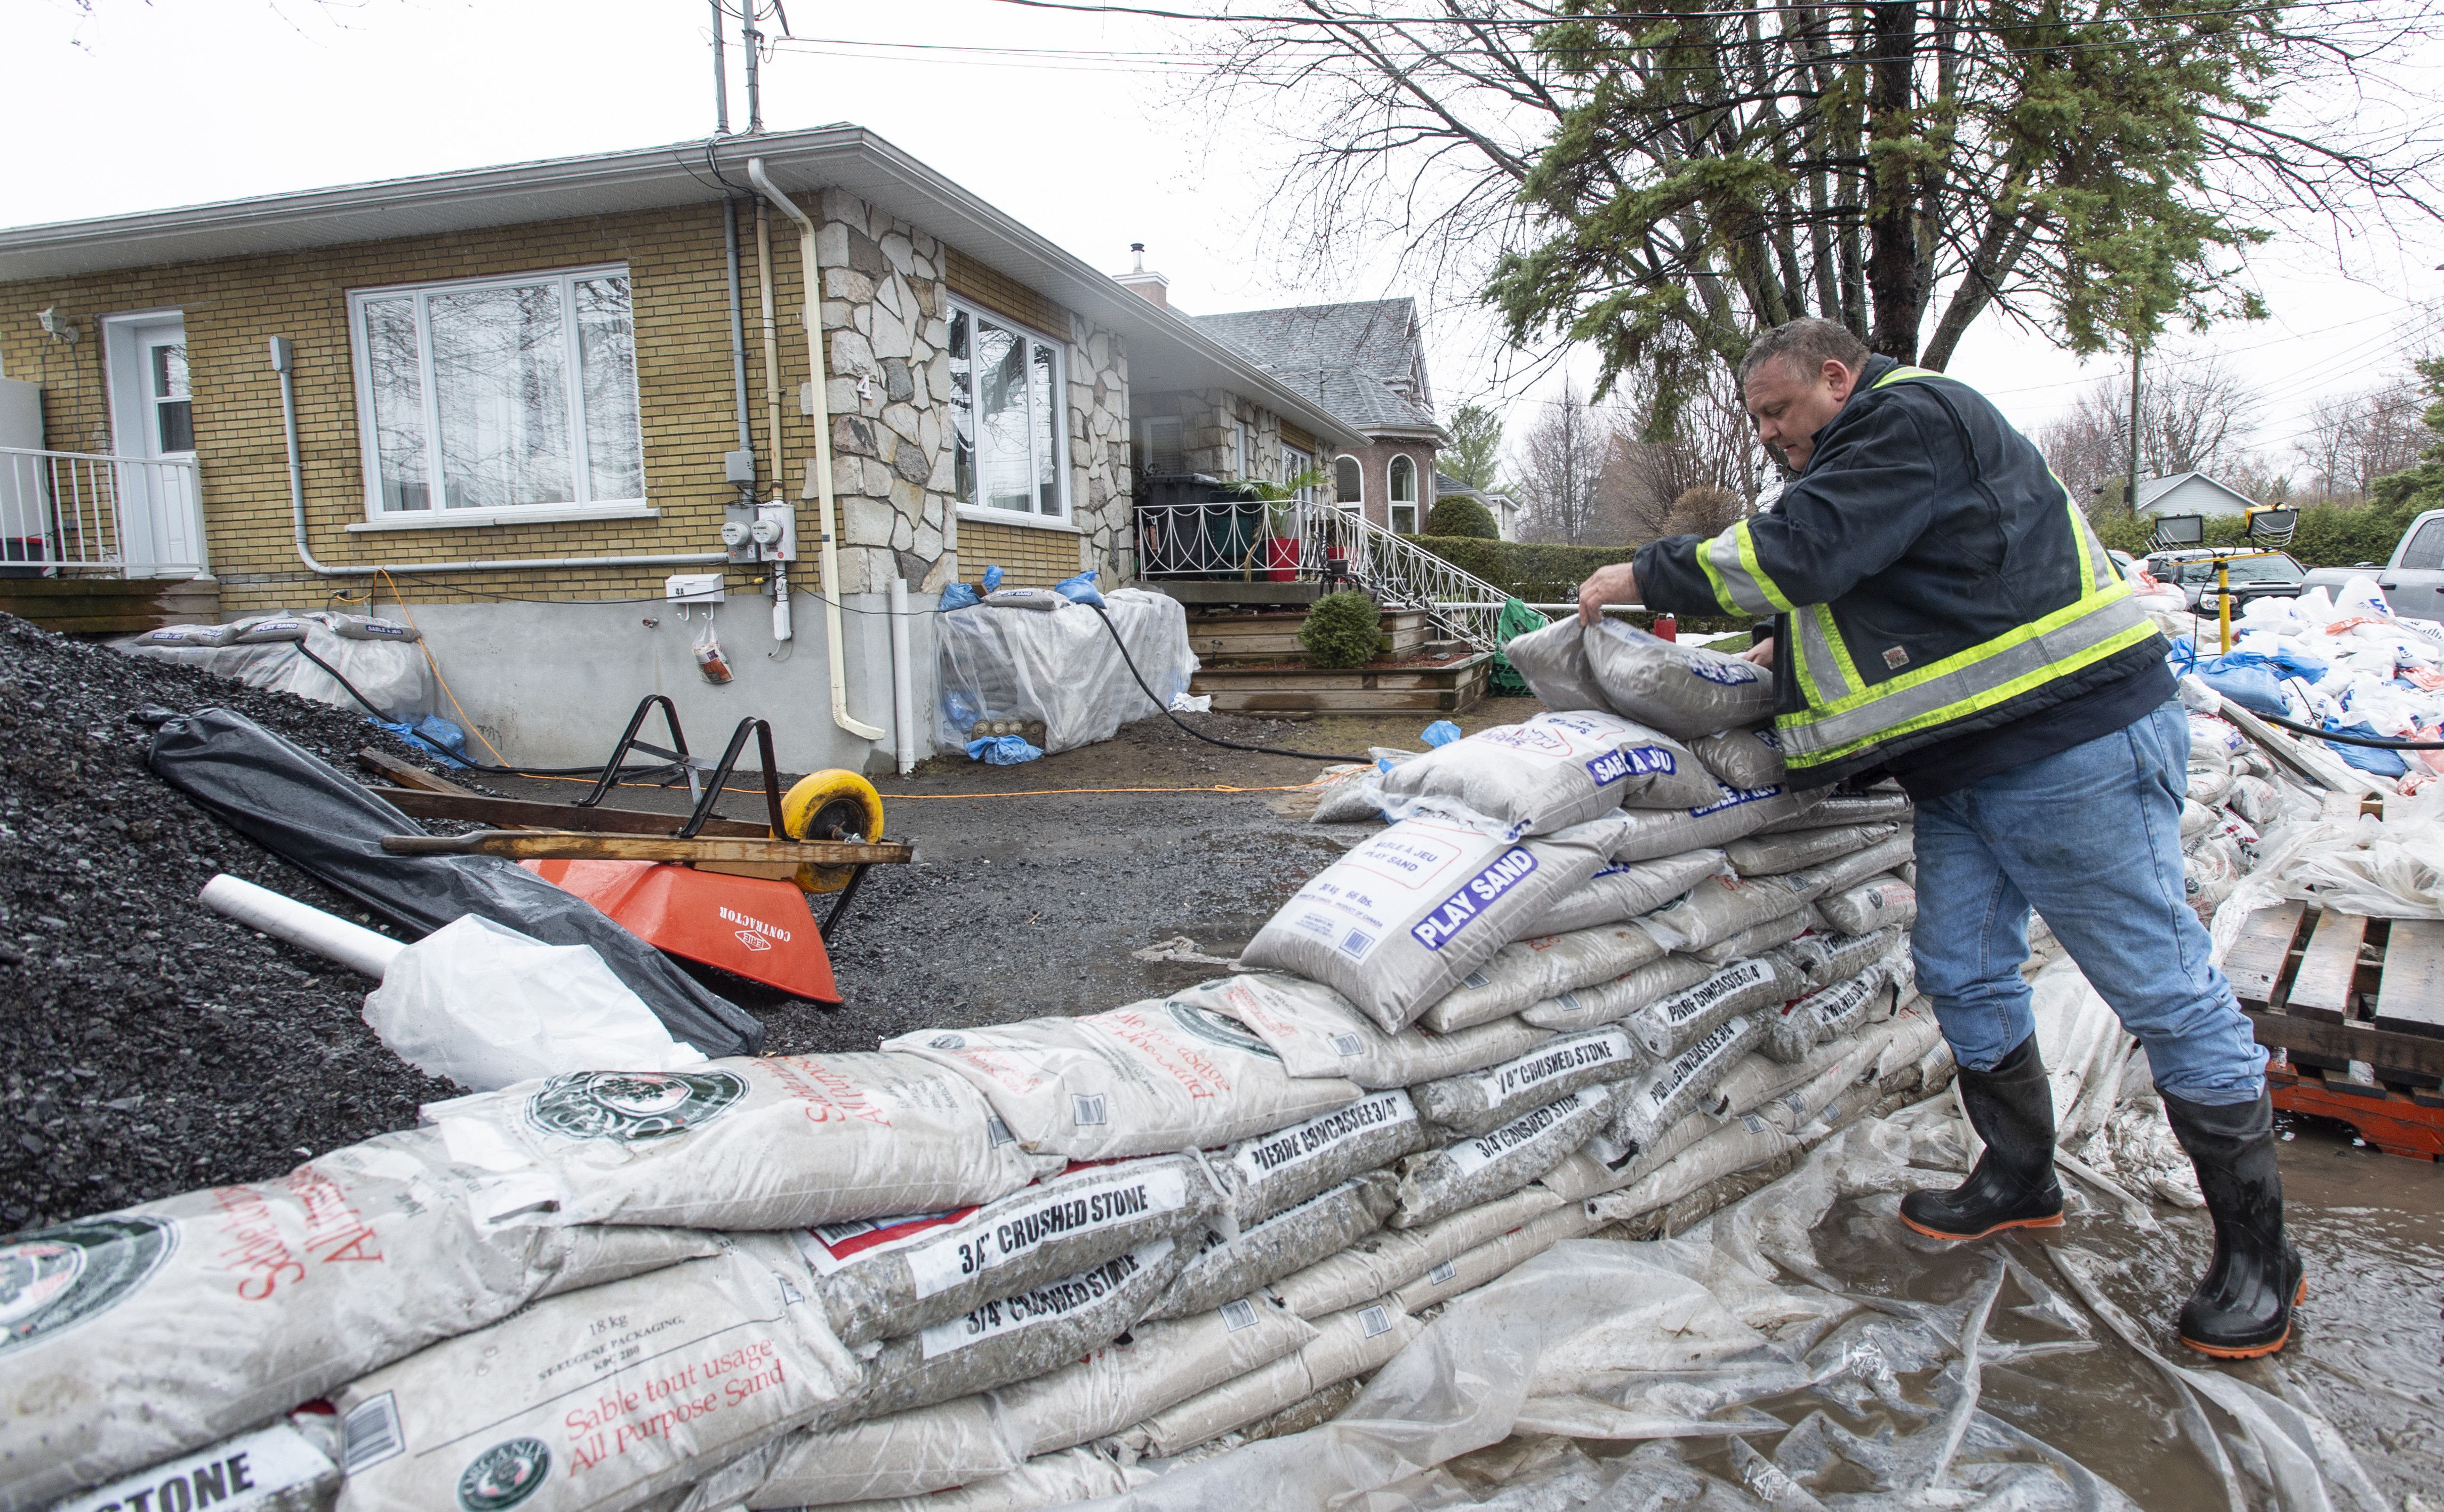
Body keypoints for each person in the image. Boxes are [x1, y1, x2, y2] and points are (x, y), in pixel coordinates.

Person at [1576, 318, 2301, 1360]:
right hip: (1964, 764)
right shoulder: (1875, 453)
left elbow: (1807, 549)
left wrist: (1638, 577)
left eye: (1779, 408)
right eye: (1760, 419)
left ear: (1837, 376)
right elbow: (1888, 585)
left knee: (2161, 987)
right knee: (1961, 968)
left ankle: (2261, 1259)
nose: (1771, 432)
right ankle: (2019, 1174)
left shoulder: (1908, 417)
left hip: (2072, 746)